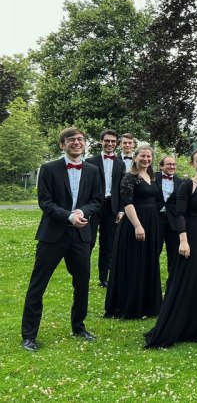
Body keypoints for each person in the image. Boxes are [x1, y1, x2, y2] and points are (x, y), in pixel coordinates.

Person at [21, 127, 103, 352]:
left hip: (81, 235)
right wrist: (69, 216)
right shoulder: (48, 169)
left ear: (85, 144)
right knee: (38, 284)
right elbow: (45, 202)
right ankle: (29, 335)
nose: (77, 142)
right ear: (62, 144)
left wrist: (82, 212)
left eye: (80, 139)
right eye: (71, 139)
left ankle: (79, 327)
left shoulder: (93, 170)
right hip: (52, 235)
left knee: (82, 283)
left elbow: (97, 200)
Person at [145, 149, 197, 348]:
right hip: (192, 236)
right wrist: (183, 240)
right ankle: (176, 326)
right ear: (192, 164)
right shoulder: (187, 185)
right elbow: (180, 214)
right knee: (186, 280)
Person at [104, 145, 163, 319]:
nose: (146, 159)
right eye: (142, 156)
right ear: (135, 157)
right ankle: (129, 305)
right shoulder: (129, 177)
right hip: (134, 223)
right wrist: (137, 225)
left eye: (149, 156)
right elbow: (127, 203)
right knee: (134, 262)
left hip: (152, 223)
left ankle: (148, 305)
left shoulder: (152, 177)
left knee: (148, 261)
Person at [86, 129, 125, 288]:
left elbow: (122, 189)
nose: (110, 144)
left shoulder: (120, 163)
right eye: (107, 140)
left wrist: (121, 209)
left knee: (108, 243)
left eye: (113, 141)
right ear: (101, 141)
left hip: (112, 207)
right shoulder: (90, 161)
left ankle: (104, 278)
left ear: (117, 144)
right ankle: (83, 275)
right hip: (94, 206)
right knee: (89, 242)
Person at [155, 155, 184, 281]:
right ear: (161, 166)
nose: (172, 166)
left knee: (174, 253)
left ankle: (172, 282)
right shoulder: (152, 178)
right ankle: (152, 280)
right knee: (154, 251)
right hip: (156, 218)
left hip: (174, 220)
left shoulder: (181, 182)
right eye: (168, 164)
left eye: (173, 164)